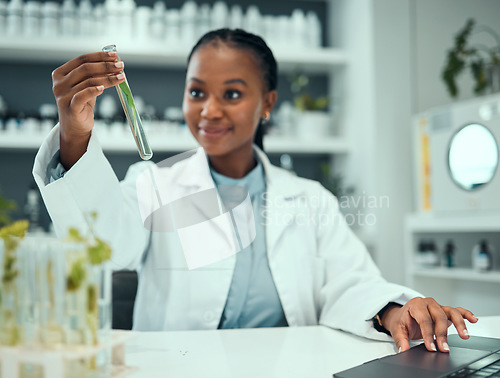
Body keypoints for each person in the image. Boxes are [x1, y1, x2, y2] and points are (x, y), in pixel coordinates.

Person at [33, 29, 476, 353]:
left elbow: (350, 283)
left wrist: (395, 311)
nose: (209, 110)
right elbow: (106, 246)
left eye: (232, 93)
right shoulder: (155, 184)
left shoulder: (309, 198)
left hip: (289, 377)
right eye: (196, 91)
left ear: (267, 103)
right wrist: (75, 134)